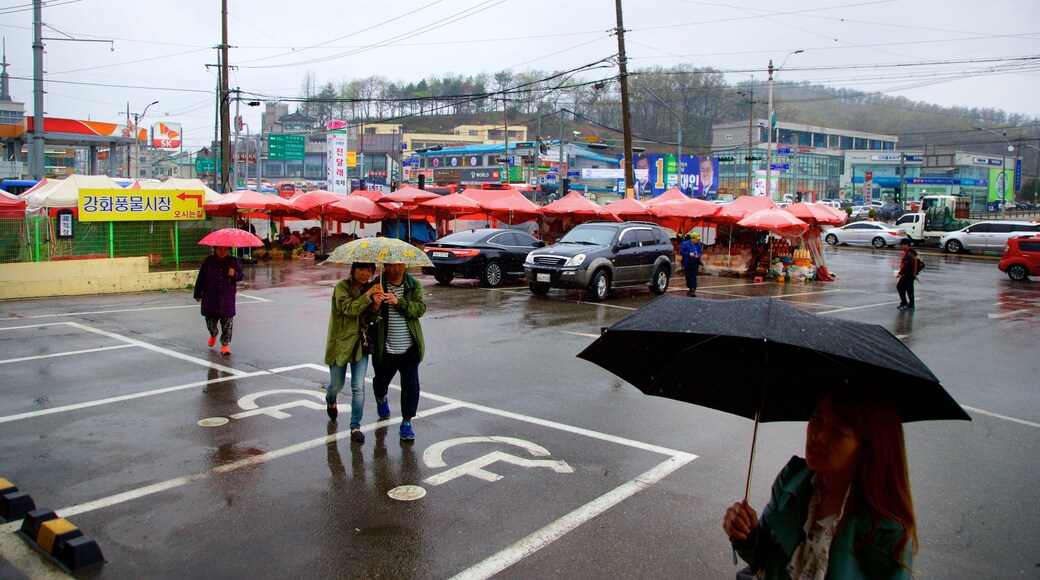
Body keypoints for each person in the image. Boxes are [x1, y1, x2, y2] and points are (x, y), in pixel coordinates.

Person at [723, 388, 916, 579]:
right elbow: (763, 557)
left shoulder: (887, 531)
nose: (818, 436)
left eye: (838, 430)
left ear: (868, 446)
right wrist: (747, 533)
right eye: (817, 418)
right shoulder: (792, 482)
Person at [324, 262, 383, 443]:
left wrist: (375, 306)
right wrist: (368, 296)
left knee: (358, 386)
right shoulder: (342, 287)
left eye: (369, 270)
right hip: (340, 343)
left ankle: (355, 426)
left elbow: (371, 319)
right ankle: (330, 399)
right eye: (361, 269)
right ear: (353, 270)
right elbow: (349, 309)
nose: (365, 274)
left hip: (360, 344)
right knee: (337, 385)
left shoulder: (370, 288)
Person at [371, 262, 426, 441]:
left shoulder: (413, 285)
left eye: (400, 265)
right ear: (384, 266)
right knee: (380, 382)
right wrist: (374, 306)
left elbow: (420, 309)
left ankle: (407, 422)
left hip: (409, 349)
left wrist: (398, 302)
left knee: (411, 387)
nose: (397, 269)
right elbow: (367, 317)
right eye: (392, 265)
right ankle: (381, 398)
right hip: (385, 348)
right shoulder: (377, 285)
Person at [193, 246, 244, 355]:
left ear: (229, 250)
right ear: (215, 249)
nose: (222, 251)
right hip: (211, 296)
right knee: (210, 321)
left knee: (227, 323)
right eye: (220, 249)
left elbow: (240, 275)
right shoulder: (209, 261)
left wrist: (234, 274)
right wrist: (198, 293)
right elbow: (201, 277)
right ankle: (213, 333)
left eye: (225, 249)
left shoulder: (233, 261)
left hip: (227, 297)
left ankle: (225, 345)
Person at [896, 238, 920, 311]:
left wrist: (900, 273)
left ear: (906, 245)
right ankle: (905, 303)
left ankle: (909, 305)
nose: (901, 246)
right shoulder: (910, 253)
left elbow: (907, 265)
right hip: (909, 275)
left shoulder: (908, 254)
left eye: (902, 245)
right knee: (903, 287)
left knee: (903, 288)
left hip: (908, 275)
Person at [679, 232, 704, 297]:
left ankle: (693, 289)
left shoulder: (698, 244)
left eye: (698, 239)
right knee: (688, 276)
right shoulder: (685, 244)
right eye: (696, 239)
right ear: (692, 239)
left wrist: (698, 255)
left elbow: (700, 251)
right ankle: (690, 287)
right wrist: (688, 254)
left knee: (694, 275)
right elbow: (681, 252)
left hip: (695, 261)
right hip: (687, 261)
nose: (697, 240)